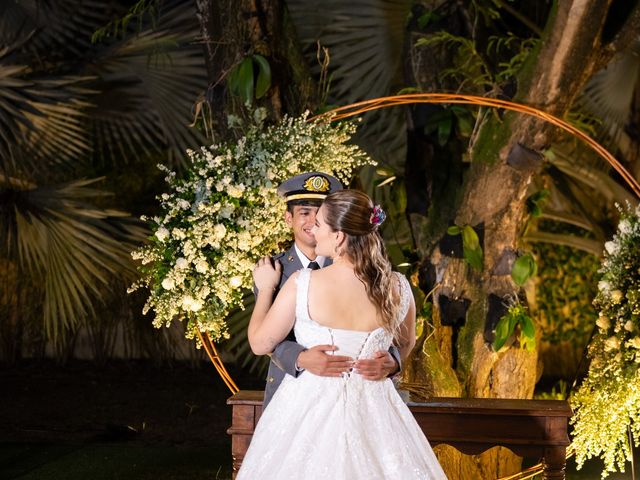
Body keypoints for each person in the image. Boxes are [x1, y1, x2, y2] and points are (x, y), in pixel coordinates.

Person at [237, 190, 447, 479]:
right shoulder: (398, 286)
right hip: (375, 409)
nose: (314, 229)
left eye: (320, 224)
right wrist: (393, 361)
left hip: (308, 407)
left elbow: (260, 343)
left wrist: (265, 290)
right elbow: (406, 341)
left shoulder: (304, 283)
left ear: (338, 237)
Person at [261, 172, 401, 408]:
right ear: (288, 218)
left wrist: (394, 362)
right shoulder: (272, 270)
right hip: (294, 395)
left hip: (363, 397)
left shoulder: (372, 269)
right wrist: (301, 358)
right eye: (305, 213)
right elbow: (267, 338)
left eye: (320, 214)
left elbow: (391, 330)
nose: (313, 223)